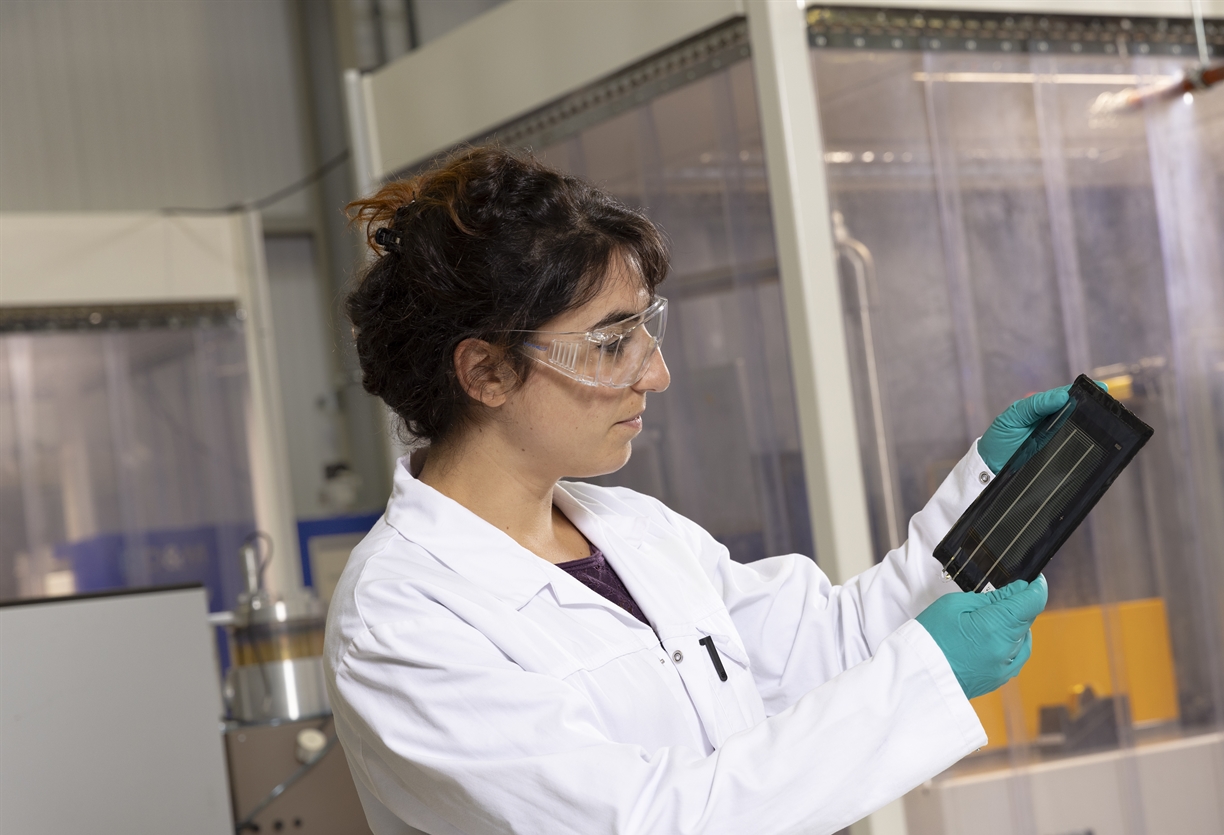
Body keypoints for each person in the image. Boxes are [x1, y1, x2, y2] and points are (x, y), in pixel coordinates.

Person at [325, 145, 1064, 835]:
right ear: (485, 372)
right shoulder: (400, 619)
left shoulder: (630, 528)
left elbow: (836, 644)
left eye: (645, 330)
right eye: (613, 342)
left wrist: (989, 495)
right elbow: (651, 822)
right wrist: (926, 675)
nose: (656, 373)